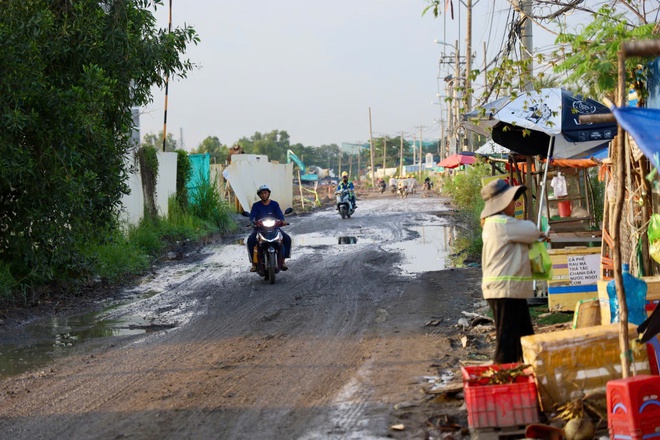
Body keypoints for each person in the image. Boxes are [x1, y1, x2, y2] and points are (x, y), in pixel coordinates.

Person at [480, 179, 547, 364]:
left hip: (506, 290)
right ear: (502, 204)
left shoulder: (494, 224)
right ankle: (502, 382)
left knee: (524, 336)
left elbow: (526, 235)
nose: (515, 204)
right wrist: (537, 234)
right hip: (504, 290)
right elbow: (531, 230)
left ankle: (523, 373)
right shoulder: (502, 223)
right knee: (507, 342)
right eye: (512, 200)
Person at [247, 184, 292, 272]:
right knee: (251, 240)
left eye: (265, 193)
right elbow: (252, 216)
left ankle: (283, 261)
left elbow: (280, 216)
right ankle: (254, 264)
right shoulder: (256, 205)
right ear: (259, 195)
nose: (263, 195)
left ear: (268, 194)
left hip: (274, 228)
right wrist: (252, 222)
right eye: (261, 193)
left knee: (287, 239)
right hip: (259, 229)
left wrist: (282, 221)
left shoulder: (274, 204)